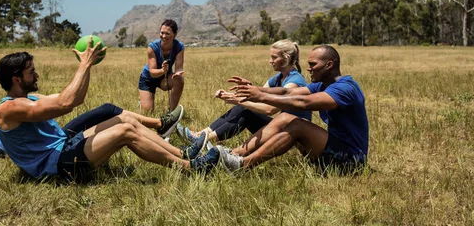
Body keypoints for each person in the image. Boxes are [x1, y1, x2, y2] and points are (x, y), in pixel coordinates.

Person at [0, 40, 217, 181]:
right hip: (57, 168)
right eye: (31, 72)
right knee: (125, 133)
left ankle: (183, 153)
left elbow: (74, 99)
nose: (37, 75)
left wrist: (88, 66)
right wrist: (83, 64)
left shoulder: (28, 98)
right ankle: (191, 168)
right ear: (16, 79)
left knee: (126, 122)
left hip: (62, 148)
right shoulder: (9, 109)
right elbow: (65, 103)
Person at [215, 45, 369, 174]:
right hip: (334, 150)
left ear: (329, 65)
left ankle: (243, 165)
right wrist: (256, 89)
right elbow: (287, 92)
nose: (308, 69)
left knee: (298, 125)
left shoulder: (345, 89)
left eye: (313, 64)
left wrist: (261, 97)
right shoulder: (322, 85)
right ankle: (235, 155)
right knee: (286, 118)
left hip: (352, 161)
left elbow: (303, 102)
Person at [0, 103, 185, 157]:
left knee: (108, 110)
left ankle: (160, 127)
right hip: (57, 144)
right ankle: (162, 130)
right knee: (112, 118)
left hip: (53, 136)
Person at [177, 40, 311, 147]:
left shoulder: (294, 82)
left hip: (292, 134)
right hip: (281, 127)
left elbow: (269, 109)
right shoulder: (278, 78)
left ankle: (202, 140)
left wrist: (238, 100)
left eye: (274, 57)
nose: (270, 61)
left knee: (245, 110)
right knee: (243, 107)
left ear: (286, 59)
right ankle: (201, 135)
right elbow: (259, 96)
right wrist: (245, 89)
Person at [138, 19, 185, 113]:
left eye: (167, 33)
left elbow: (179, 67)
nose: (164, 36)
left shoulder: (179, 47)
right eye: (162, 33)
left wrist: (178, 73)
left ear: (175, 34)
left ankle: (171, 113)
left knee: (179, 80)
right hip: (148, 79)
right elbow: (152, 72)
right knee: (147, 112)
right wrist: (162, 71)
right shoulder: (152, 47)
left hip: (163, 78)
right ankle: (142, 102)